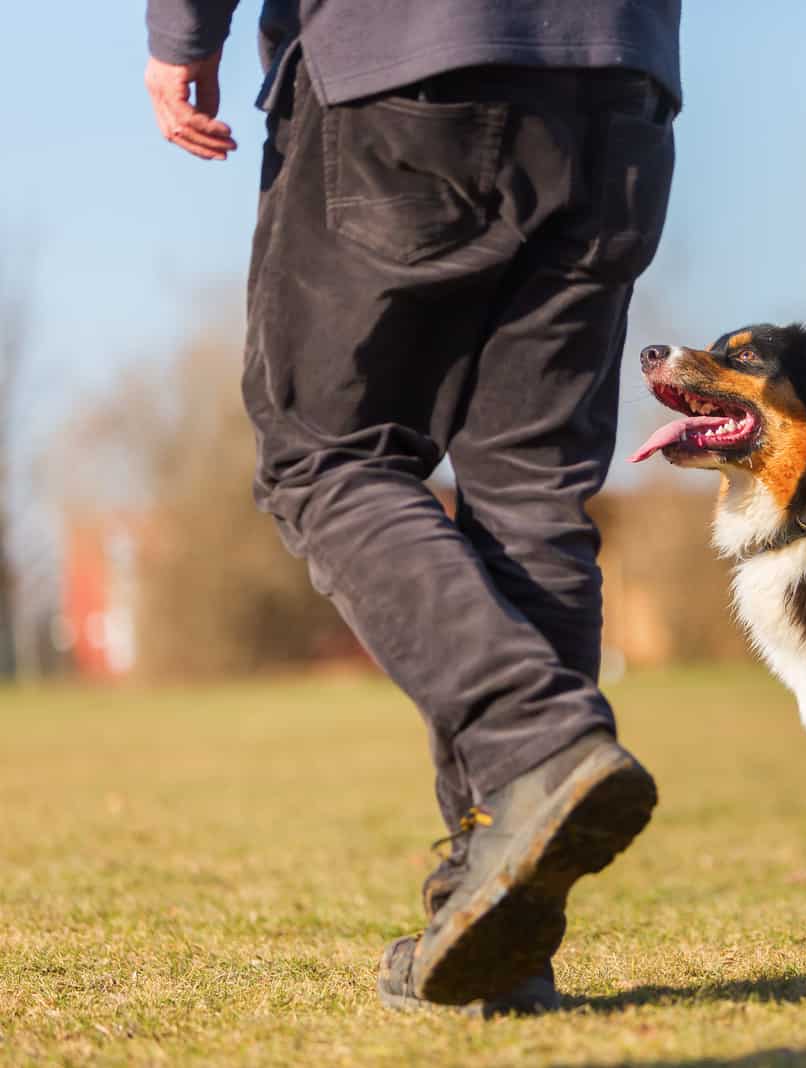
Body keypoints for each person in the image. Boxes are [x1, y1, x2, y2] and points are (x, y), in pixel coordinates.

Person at [142, 0, 681, 1015]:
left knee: (324, 458)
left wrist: (183, 37)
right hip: (619, 83)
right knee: (531, 492)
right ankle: (499, 934)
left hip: (405, 69)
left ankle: (536, 744)